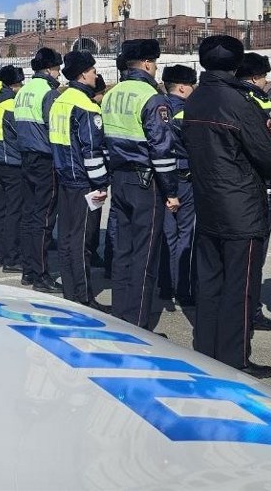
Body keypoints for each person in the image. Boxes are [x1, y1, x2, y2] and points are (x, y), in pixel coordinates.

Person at [182, 36, 271, 379]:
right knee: (241, 285)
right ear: (236, 64)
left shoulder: (197, 97)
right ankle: (235, 357)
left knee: (210, 280)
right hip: (241, 202)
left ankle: (207, 348)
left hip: (207, 199)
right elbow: (269, 156)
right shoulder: (240, 101)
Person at [100, 40, 180, 330]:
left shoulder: (111, 94)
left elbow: (103, 141)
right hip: (146, 182)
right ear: (147, 63)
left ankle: (121, 314)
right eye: (155, 63)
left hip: (119, 178)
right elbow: (162, 149)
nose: (156, 68)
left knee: (122, 249)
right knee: (145, 254)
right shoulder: (152, 97)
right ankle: (138, 324)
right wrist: (171, 191)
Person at [49, 51, 110, 312]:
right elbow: (91, 150)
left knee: (67, 238)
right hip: (84, 182)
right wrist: (101, 184)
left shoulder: (60, 101)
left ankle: (70, 292)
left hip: (64, 177)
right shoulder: (86, 106)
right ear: (83, 73)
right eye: (94, 71)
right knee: (83, 240)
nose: (95, 75)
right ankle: (84, 297)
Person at [235, 52, 271, 332]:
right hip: (260, 185)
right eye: (264, 76)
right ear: (254, 78)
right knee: (256, 251)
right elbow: (269, 147)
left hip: (238, 185)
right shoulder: (257, 103)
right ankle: (250, 310)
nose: (267, 82)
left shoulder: (231, 99)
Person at [14, 47, 64, 292]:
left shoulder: (24, 91)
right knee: (44, 219)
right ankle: (41, 275)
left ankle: (28, 269)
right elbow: (53, 128)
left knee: (30, 215)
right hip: (45, 159)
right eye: (57, 70)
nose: (59, 75)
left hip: (26, 157)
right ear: (48, 69)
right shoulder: (49, 93)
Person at [159, 64, 197, 307]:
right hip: (184, 176)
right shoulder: (188, 113)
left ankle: (165, 286)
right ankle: (183, 288)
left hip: (161, 177)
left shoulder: (157, 108)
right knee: (186, 234)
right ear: (183, 87)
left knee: (167, 234)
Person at [0, 65, 26, 272]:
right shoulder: (11, 106)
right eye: (20, 84)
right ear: (14, 84)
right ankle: (12, 257)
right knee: (14, 211)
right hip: (12, 162)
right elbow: (20, 136)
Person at [86, 73, 111, 275]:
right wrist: (102, 181)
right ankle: (91, 252)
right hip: (94, 174)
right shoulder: (92, 111)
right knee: (92, 219)